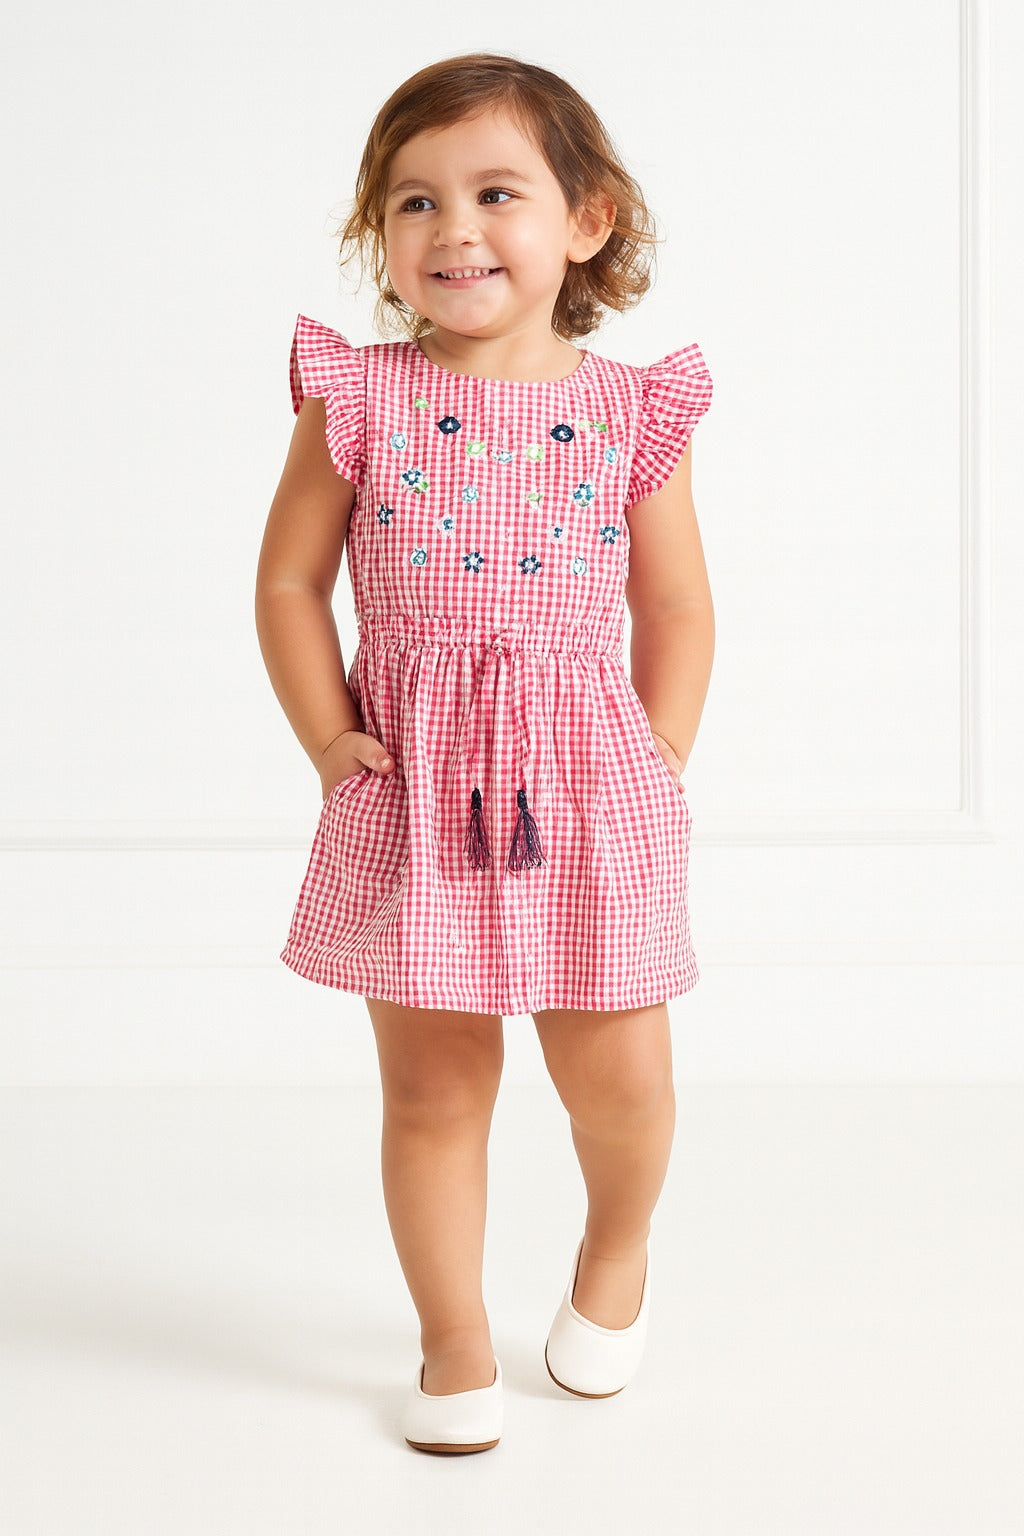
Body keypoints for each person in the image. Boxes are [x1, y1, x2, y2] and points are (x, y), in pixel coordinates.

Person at [254, 51, 715, 1455]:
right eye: (414, 202)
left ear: (586, 222)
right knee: (436, 1085)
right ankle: (452, 1338)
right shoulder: (360, 400)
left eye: (495, 193)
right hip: (416, 787)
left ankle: (615, 1253)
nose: (453, 230)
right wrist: (332, 736)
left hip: (588, 788)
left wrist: (663, 755)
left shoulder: (632, 410)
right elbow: (287, 585)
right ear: (378, 239)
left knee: (620, 1078)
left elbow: (677, 600)